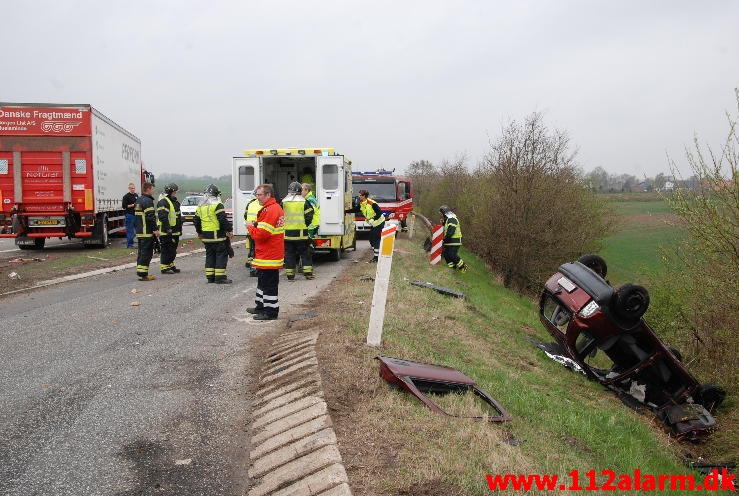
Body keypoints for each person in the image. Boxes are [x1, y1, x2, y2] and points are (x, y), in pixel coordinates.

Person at [247, 184, 285, 320]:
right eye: (256, 194)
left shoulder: (271, 210)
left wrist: (251, 228)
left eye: (259, 194)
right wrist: (257, 225)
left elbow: (262, 235)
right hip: (267, 254)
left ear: (268, 195)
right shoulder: (271, 208)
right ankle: (261, 307)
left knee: (269, 285)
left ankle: (270, 312)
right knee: (263, 282)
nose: (257, 197)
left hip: (270, 255)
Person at [194, 184, 233, 284]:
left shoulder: (200, 206)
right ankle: (220, 277)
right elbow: (222, 219)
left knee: (210, 255)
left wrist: (199, 232)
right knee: (221, 255)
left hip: (206, 237)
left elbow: (196, 221)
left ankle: (210, 277)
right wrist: (229, 230)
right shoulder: (217, 204)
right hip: (217, 236)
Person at [282, 182, 315, 280]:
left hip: (287, 234)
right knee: (305, 253)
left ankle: (290, 275)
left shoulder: (283, 201)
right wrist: (305, 225)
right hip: (301, 234)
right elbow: (309, 215)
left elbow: (279, 216)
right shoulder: (303, 201)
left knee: (289, 254)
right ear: (300, 191)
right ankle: (308, 274)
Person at [345, 189, 385, 262]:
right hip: (373, 224)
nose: (359, 196)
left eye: (360, 195)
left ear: (364, 196)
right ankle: (376, 255)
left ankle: (376, 258)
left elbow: (379, 213)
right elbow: (356, 209)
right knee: (371, 239)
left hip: (379, 222)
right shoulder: (362, 203)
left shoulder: (372, 203)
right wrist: (346, 211)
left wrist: (373, 219)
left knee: (375, 239)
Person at [134, 182, 159, 280]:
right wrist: (155, 229)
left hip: (140, 231)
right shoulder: (148, 201)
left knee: (141, 252)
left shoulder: (139, 200)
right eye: (152, 189)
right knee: (146, 253)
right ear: (148, 189)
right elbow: (150, 217)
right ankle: (143, 274)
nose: (153, 191)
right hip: (146, 231)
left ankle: (140, 271)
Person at [157, 183, 183, 274]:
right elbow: (163, 217)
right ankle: (164, 267)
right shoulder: (164, 202)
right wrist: (168, 229)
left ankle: (170, 264)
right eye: (175, 191)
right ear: (172, 191)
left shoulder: (174, 201)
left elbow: (176, 215)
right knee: (166, 250)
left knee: (172, 250)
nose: (176, 192)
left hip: (174, 231)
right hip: (166, 231)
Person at [439, 205, 467, 272]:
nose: (441, 215)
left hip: (455, 241)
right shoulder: (449, 219)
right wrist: (443, 223)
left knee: (452, 255)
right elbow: (448, 227)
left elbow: (451, 231)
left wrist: (444, 240)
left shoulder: (452, 219)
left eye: (441, 213)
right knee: (446, 254)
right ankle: (452, 268)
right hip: (450, 241)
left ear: (444, 212)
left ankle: (463, 267)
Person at [243, 196, 262, 277]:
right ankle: (256, 269)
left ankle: (251, 267)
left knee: (252, 249)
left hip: (251, 231)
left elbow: (245, 215)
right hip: (259, 231)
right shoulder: (263, 204)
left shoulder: (250, 203)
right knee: (259, 251)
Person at [122, 183, 139, 248]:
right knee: (130, 230)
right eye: (131, 188)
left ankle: (136, 243)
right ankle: (129, 245)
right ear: (129, 188)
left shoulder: (136, 195)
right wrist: (132, 205)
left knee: (137, 230)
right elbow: (124, 206)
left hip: (136, 214)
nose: (133, 189)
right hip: (129, 215)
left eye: (134, 188)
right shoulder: (126, 196)